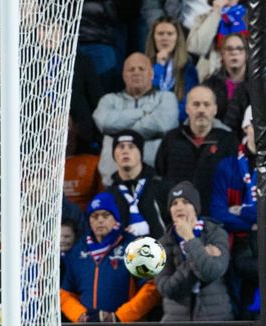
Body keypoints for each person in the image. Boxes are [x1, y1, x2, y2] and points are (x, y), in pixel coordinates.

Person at [60, 192, 161, 323]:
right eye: (94, 216)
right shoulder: (78, 250)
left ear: (116, 218)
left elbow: (151, 288)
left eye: (106, 215)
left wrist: (119, 317)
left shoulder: (135, 246)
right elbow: (65, 293)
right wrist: (80, 316)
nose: (100, 220)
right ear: (89, 220)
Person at [92, 52, 179, 186]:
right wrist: (143, 112)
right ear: (124, 75)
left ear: (151, 74)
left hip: (156, 180)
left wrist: (119, 130)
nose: (136, 73)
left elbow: (163, 124)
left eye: (141, 69)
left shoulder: (166, 98)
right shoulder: (109, 100)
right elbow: (104, 122)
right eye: (131, 69)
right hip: (113, 183)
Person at [155, 85, 239, 217]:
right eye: (196, 104)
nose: (201, 109)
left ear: (215, 109)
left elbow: (234, 181)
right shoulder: (171, 139)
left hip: (215, 218)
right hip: (176, 217)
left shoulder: (228, 141)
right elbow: (160, 176)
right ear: (187, 108)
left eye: (206, 104)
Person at [155, 181, 234, 321]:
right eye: (174, 203)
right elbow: (166, 288)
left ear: (196, 207)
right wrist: (200, 252)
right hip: (176, 323)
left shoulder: (215, 233)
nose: (179, 207)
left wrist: (189, 239)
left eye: (185, 202)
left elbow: (211, 272)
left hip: (216, 320)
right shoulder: (163, 243)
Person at [106, 130, 171, 239]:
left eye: (131, 147)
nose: (125, 151)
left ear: (141, 153)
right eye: (121, 147)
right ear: (114, 155)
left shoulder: (162, 186)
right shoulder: (109, 194)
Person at [145, 17, 199, 123]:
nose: (165, 38)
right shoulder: (143, 65)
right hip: (149, 123)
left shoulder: (188, 68)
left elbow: (190, 103)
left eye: (170, 34)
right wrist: (159, 65)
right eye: (160, 34)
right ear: (153, 38)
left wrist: (166, 116)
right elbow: (145, 96)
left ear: (177, 38)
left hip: (178, 124)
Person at [187, 0, 248, 82]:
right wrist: (216, 13)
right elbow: (196, 48)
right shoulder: (203, 18)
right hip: (210, 79)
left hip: (245, 80)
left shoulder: (251, 18)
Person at [203, 33, 248, 120]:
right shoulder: (210, 85)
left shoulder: (257, 84)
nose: (234, 53)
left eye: (239, 48)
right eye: (229, 49)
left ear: (246, 54)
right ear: (222, 54)